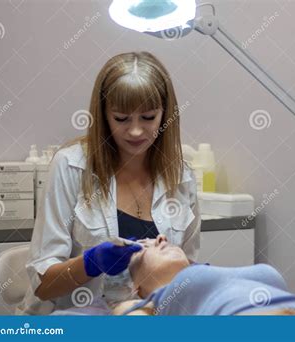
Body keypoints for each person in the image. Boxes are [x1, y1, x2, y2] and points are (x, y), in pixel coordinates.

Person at [17, 52, 200, 315]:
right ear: (103, 115)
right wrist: (89, 263)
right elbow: (42, 285)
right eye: (121, 118)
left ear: (165, 114)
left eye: (148, 117)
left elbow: (185, 269)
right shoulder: (71, 167)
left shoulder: (181, 177)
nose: (136, 131)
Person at [111, 235, 295, 316]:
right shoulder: (145, 304)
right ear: (138, 287)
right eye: (145, 246)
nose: (160, 238)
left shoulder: (223, 273)